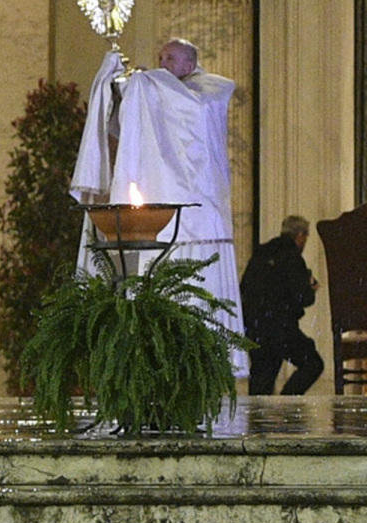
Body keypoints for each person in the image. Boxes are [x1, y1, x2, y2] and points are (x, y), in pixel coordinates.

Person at [71, 34, 241, 338]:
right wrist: (116, 83)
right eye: (161, 59)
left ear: (190, 63)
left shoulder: (210, 91)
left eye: (171, 59)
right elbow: (131, 117)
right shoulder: (159, 92)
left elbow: (187, 107)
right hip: (162, 214)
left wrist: (142, 83)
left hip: (202, 216)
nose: (163, 65)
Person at [239, 215, 323, 396]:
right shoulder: (293, 257)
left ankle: (257, 420)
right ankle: (287, 401)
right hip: (281, 328)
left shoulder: (261, 252)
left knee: (262, 378)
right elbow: (303, 297)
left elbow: (245, 287)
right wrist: (311, 288)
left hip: (255, 327)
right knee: (313, 364)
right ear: (300, 235)